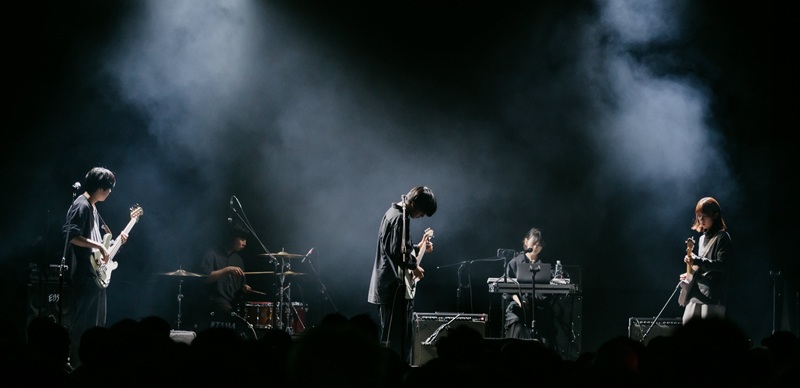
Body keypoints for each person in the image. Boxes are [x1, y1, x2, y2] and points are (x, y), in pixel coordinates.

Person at [63, 166, 127, 365]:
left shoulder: (92, 207)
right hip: (84, 275)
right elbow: (71, 235)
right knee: (83, 326)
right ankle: (76, 365)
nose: (109, 193)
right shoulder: (81, 205)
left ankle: (90, 365)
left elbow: (100, 242)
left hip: (95, 275)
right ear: (100, 188)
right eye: (108, 188)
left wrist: (116, 241)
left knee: (95, 325)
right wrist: (99, 244)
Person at [368, 186, 436, 363]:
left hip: (392, 289)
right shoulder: (399, 218)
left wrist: (419, 247)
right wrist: (414, 267)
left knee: (399, 342)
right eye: (422, 212)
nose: (421, 217)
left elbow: (401, 247)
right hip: (393, 290)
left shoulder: (397, 215)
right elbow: (395, 252)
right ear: (413, 203)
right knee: (396, 345)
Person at [679, 196, 731, 324]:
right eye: (698, 216)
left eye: (704, 216)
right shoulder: (702, 238)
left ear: (715, 215)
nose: (700, 220)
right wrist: (690, 272)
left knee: (708, 336)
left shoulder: (722, 237)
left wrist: (697, 260)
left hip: (712, 294)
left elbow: (723, 265)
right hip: (696, 293)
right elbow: (702, 264)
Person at [502, 227, 558, 347]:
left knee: (545, 340)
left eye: (539, 245)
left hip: (540, 308)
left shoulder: (546, 264)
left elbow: (552, 287)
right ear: (526, 241)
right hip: (518, 307)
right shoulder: (514, 262)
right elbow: (508, 290)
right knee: (518, 329)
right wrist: (520, 301)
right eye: (534, 243)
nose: (536, 247)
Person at [201, 221, 252, 330]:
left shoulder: (238, 259)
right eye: (242, 239)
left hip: (233, 301)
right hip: (215, 301)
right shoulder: (212, 254)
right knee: (228, 312)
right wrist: (227, 270)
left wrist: (245, 288)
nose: (245, 243)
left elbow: (241, 284)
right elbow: (206, 279)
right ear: (232, 237)